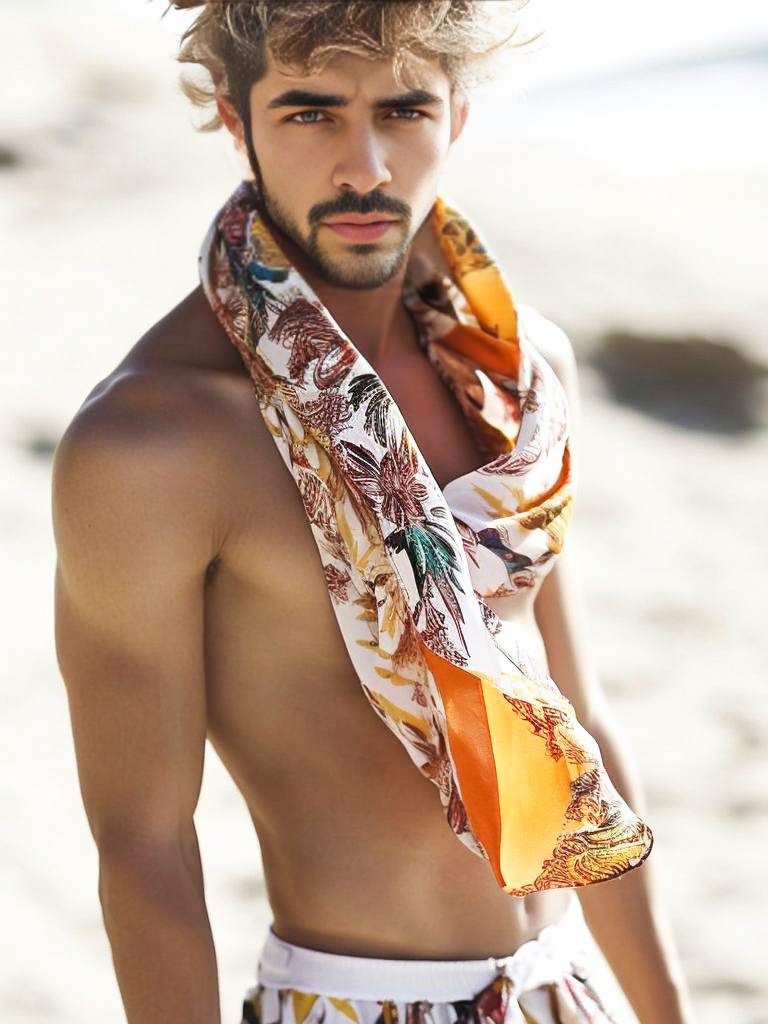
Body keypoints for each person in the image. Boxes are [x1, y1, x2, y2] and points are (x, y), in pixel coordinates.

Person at [51, 3, 696, 1023]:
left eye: (402, 110)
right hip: (358, 1001)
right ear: (235, 119)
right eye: (310, 115)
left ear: (458, 116)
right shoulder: (156, 442)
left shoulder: (518, 374)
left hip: (561, 991)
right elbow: (143, 842)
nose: (365, 166)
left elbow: (573, 715)